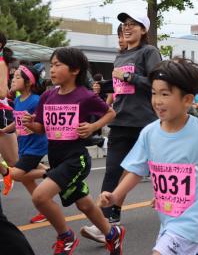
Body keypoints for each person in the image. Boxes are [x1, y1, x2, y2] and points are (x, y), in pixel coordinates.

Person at [99, 59, 198, 255]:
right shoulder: (149, 133)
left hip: (192, 219)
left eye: (165, 94)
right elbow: (136, 170)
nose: (157, 101)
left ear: (187, 100)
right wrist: (116, 196)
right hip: (168, 217)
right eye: (154, 93)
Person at [22, 47, 124, 255]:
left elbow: (110, 113)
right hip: (56, 158)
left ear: (75, 70)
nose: (52, 69)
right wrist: (31, 125)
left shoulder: (84, 96)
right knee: (85, 205)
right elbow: (42, 127)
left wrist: (93, 127)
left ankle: (65, 237)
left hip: (76, 159)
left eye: (58, 64)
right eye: (52, 64)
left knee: (40, 197)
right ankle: (111, 233)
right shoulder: (47, 97)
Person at [81, 11, 162, 243]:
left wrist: (129, 78)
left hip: (145, 122)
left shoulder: (149, 52)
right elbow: (120, 89)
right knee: (113, 171)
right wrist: (104, 87)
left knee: (160, 168)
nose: (127, 28)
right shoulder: (121, 56)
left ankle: (197, 204)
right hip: (120, 120)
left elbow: (157, 82)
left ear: (143, 30)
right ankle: (107, 223)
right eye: (124, 25)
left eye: (132, 25)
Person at [5, 64, 49, 223]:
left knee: (15, 175)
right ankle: (45, 210)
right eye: (13, 76)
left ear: (29, 82)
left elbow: (42, 122)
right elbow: (17, 121)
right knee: (27, 180)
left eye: (17, 77)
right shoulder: (17, 100)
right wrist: (4, 130)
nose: (13, 80)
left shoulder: (36, 100)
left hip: (36, 146)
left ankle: (51, 174)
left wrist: (35, 125)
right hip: (24, 145)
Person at [0, 32, 18, 195]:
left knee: (15, 162)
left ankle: (54, 175)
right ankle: (5, 173)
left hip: (2, 113)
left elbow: (2, 93)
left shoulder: (1, 63)